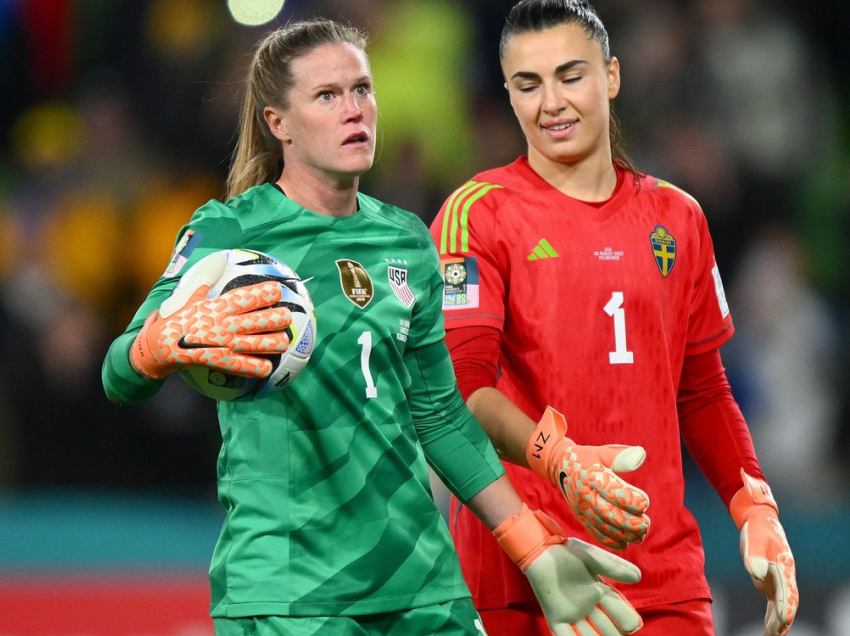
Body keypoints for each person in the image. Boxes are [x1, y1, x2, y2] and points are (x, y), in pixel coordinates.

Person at [103, 17, 647, 636]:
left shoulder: (406, 239)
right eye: (327, 96)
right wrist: (156, 345)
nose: (354, 110)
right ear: (277, 123)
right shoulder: (232, 235)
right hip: (290, 592)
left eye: (362, 89)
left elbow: (440, 418)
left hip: (421, 587)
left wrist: (532, 545)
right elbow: (118, 375)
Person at [428, 1, 799, 635]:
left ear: (612, 76)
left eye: (570, 76)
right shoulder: (477, 214)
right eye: (527, 84)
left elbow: (702, 388)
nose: (551, 103)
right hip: (526, 578)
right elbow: (462, 393)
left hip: (664, 582)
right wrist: (560, 461)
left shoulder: (678, 218)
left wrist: (753, 505)